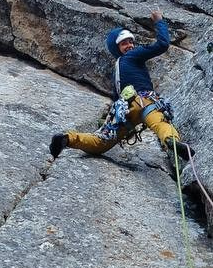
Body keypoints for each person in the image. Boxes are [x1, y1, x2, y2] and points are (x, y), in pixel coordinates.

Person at [49, 10, 192, 165]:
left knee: (101, 142)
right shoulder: (134, 55)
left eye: (131, 42)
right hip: (147, 101)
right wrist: (159, 21)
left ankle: (67, 139)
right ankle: (171, 141)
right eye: (124, 43)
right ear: (116, 47)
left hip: (126, 110)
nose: (130, 45)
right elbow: (163, 44)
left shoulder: (117, 69)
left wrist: (107, 122)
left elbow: (117, 97)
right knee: (161, 124)